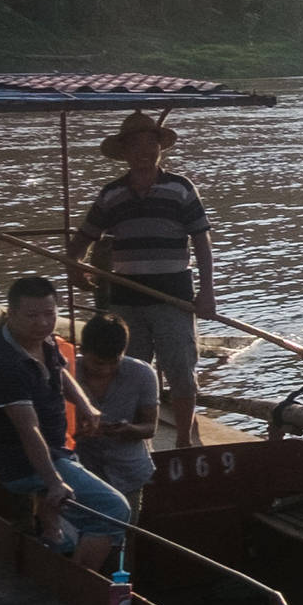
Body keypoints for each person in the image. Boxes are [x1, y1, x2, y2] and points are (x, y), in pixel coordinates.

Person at [72, 108, 217, 448]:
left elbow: (202, 240)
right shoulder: (112, 195)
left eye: (150, 144)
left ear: (160, 148)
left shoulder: (180, 189)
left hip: (174, 297)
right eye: (135, 146)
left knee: (181, 371)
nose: (144, 153)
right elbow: (81, 240)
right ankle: (139, 442)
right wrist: (75, 265)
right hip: (128, 299)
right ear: (124, 152)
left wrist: (207, 292)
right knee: (132, 372)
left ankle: (184, 440)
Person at [0, 276, 132, 572]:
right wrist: (52, 482)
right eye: (32, 315)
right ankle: (79, 584)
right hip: (28, 463)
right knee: (113, 510)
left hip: (57, 451)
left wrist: (85, 405)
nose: (43, 323)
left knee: (65, 530)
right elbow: (28, 430)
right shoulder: (4, 365)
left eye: (50, 314)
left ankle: (54, 543)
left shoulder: (44, 342)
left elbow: (60, 372)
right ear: (11, 314)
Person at [73, 314, 162, 515]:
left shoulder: (143, 374)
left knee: (125, 534)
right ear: (82, 351)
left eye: (113, 363)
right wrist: (77, 431)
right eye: (97, 363)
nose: (106, 369)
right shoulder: (66, 372)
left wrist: (128, 429)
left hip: (127, 473)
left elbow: (150, 427)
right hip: (80, 472)